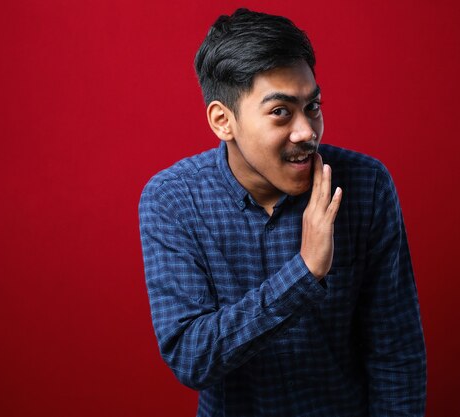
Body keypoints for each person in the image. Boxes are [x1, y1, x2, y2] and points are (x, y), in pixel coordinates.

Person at [139, 8, 426, 416]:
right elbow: (190, 356)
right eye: (280, 112)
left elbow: (396, 352)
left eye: (312, 106)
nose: (307, 131)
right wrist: (305, 273)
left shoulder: (366, 185)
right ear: (224, 121)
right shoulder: (172, 199)